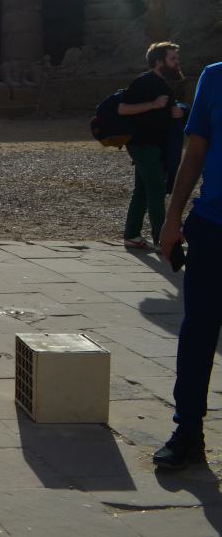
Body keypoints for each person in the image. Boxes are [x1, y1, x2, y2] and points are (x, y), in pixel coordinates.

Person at [156, 61, 222, 470]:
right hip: (214, 224)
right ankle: (188, 431)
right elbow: (195, 150)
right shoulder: (215, 76)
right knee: (198, 329)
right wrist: (172, 217)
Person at [119, 42, 185, 251]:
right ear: (159, 61)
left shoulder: (165, 85)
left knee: (142, 190)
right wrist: (153, 105)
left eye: (176, 58)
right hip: (141, 144)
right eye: (172, 59)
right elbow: (122, 109)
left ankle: (131, 235)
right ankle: (161, 239)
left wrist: (181, 112)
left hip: (157, 145)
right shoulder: (144, 81)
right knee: (157, 188)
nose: (177, 62)